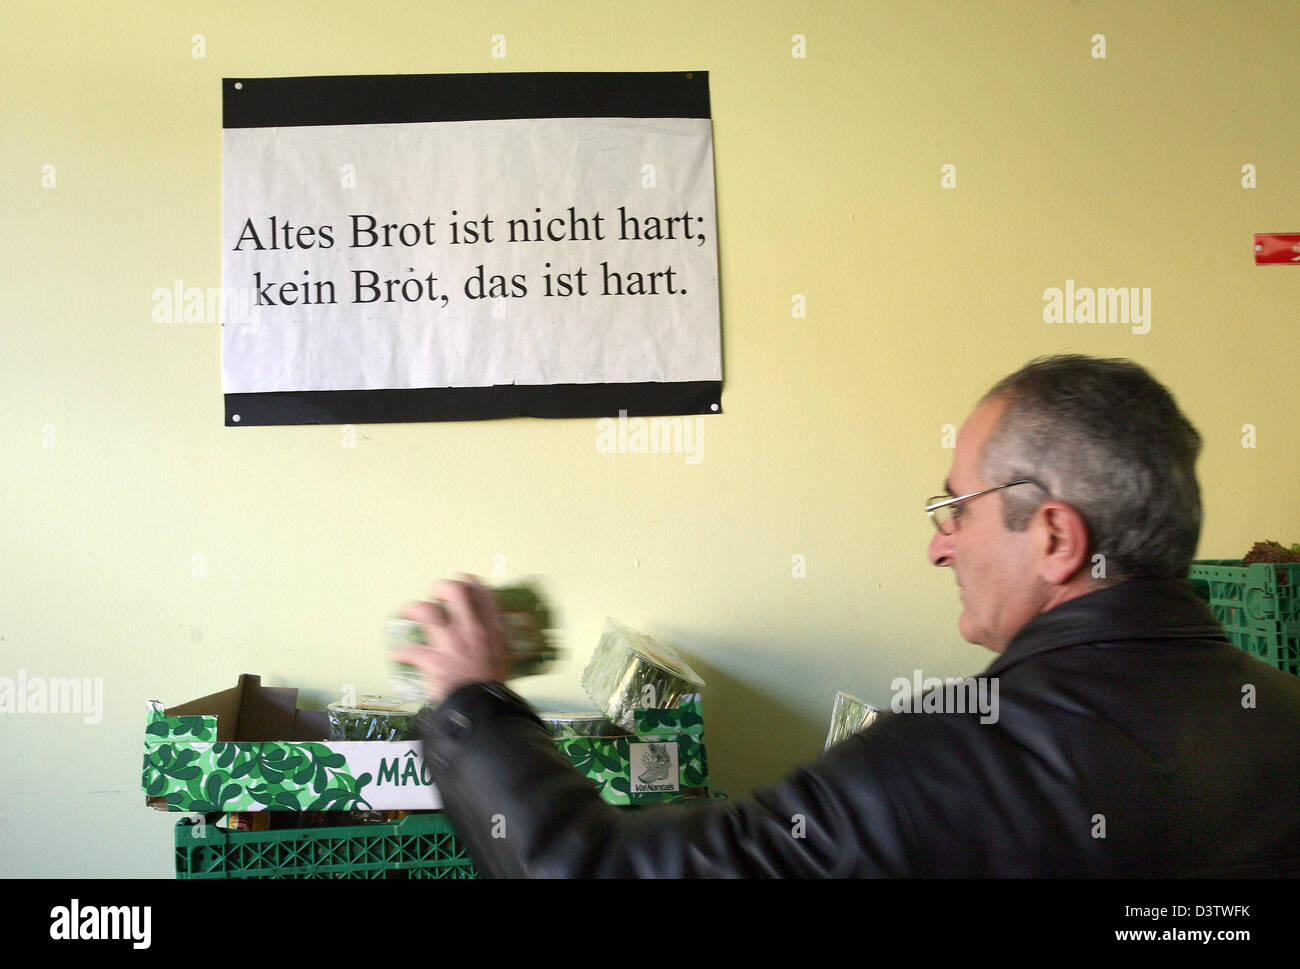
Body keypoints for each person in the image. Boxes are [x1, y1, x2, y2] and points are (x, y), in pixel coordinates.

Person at [395, 354, 1300, 877]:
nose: (940, 545)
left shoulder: (959, 757)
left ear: (1058, 537)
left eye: (959, 508)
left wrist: (473, 705)